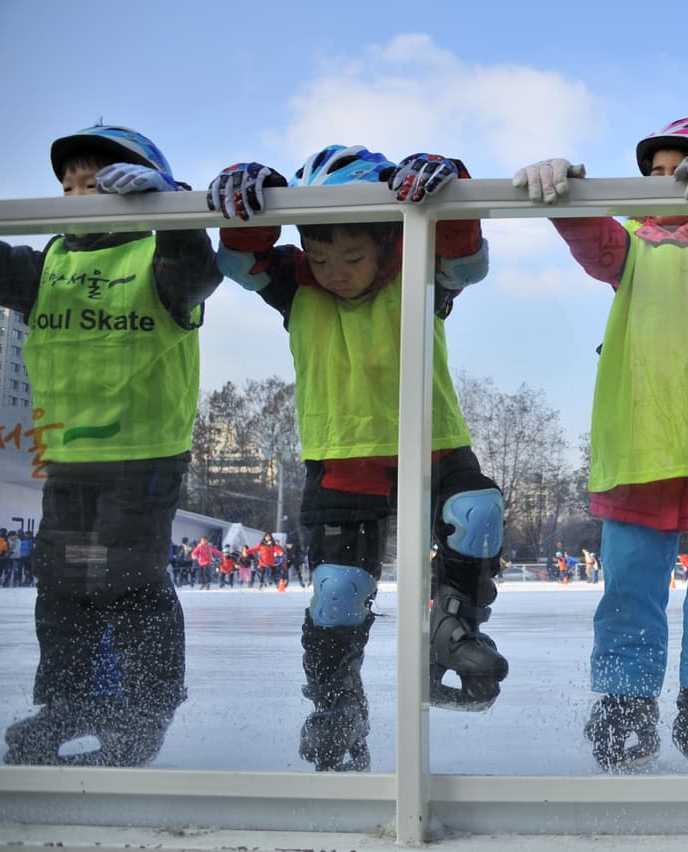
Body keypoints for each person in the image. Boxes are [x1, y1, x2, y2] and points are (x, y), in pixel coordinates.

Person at [207, 144, 506, 772]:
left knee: (477, 513)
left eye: (351, 256)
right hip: (342, 456)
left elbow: (466, 258)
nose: (336, 272)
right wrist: (255, 196)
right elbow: (239, 256)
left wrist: (447, 181)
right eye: (321, 255)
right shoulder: (295, 283)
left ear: (388, 241)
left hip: (432, 440)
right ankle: (337, 703)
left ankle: (453, 628)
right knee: (339, 591)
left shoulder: (417, 267)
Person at [515, 117, 688, 772]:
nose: (667, 184)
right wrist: (570, 193)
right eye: (655, 174)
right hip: (639, 454)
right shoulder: (632, 251)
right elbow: (594, 244)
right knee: (630, 590)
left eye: (682, 169)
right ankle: (625, 704)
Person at [0, 124, 219, 765]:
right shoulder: (49, 266)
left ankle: (144, 708)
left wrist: (170, 208)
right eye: (67, 187)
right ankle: (67, 699)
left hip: (144, 451)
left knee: (126, 573)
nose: (76, 196)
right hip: (68, 454)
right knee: (60, 579)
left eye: (94, 184)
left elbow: (197, 272)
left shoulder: (158, 261)